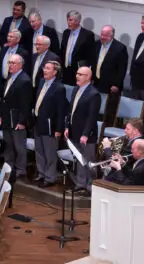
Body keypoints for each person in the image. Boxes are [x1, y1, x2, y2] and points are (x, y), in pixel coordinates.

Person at [64, 67, 100, 195]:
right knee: (79, 159)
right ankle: (80, 184)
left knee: (89, 161)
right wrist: (67, 126)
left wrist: (85, 134)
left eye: (80, 74)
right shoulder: (75, 89)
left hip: (86, 135)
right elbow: (71, 111)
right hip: (74, 131)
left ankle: (91, 187)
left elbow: (92, 116)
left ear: (88, 77)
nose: (77, 76)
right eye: (77, 73)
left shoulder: (94, 94)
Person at [0, 54, 33, 179]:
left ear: (20, 65)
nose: (10, 65)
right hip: (7, 117)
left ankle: (21, 169)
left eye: (13, 63)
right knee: (8, 144)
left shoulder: (24, 80)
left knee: (19, 146)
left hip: (17, 119)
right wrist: (0, 114)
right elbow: (4, 99)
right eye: (9, 63)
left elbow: (26, 104)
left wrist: (22, 121)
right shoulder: (10, 77)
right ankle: (9, 167)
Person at [32, 61, 68, 187]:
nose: (44, 70)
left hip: (50, 125)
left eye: (48, 68)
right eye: (44, 68)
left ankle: (49, 177)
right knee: (39, 150)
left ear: (55, 72)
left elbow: (60, 110)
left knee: (49, 152)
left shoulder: (59, 88)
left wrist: (58, 129)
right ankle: (41, 173)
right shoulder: (42, 82)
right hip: (38, 122)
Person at [92, 25, 129, 126]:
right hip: (96, 83)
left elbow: (122, 69)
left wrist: (116, 84)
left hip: (111, 86)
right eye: (102, 35)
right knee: (95, 108)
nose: (103, 37)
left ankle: (106, 133)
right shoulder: (96, 44)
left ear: (112, 36)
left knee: (108, 111)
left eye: (106, 35)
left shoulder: (120, 48)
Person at [59, 10, 96, 86]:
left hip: (78, 71)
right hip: (65, 70)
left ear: (77, 21)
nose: (68, 22)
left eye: (70, 20)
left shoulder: (87, 35)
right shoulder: (66, 32)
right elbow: (62, 51)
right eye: (68, 20)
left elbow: (91, 55)